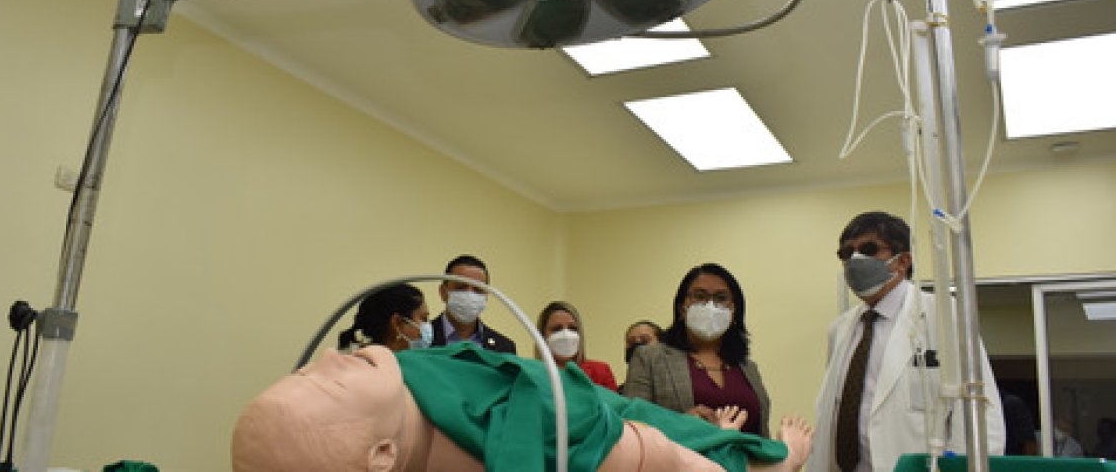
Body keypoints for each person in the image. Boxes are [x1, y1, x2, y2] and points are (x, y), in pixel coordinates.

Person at [232, 342, 815, 472]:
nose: (334, 357)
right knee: (697, 451)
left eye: (304, 371)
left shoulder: (412, 371)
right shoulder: (505, 441)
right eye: (325, 385)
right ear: (382, 454)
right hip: (612, 435)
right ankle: (775, 462)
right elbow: (662, 454)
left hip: (588, 406)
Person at [809, 211, 1005, 472]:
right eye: (847, 253)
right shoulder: (841, 329)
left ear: (902, 261)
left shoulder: (945, 317)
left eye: (869, 249)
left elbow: (980, 417)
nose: (855, 260)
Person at [624, 263, 772, 437]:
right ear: (682, 308)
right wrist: (679, 424)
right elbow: (631, 427)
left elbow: (761, 431)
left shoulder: (748, 367)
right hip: (679, 462)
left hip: (749, 463)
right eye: (699, 296)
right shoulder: (649, 358)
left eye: (721, 297)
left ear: (734, 311)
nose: (710, 305)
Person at [430, 254, 517, 354]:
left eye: (478, 289)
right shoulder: (418, 339)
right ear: (443, 292)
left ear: (486, 295)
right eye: (461, 287)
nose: (470, 294)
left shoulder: (504, 347)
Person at [538, 300, 619, 392]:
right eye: (557, 329)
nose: (566, 334)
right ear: (542, 336)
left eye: (573, 328)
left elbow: (614, 405)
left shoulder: (600, 372)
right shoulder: (532, 375)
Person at [337, 283, 432, 352]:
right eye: (424, 319)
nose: (428, 326)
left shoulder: (406, 363)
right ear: (397, 323)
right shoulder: (364, 368)